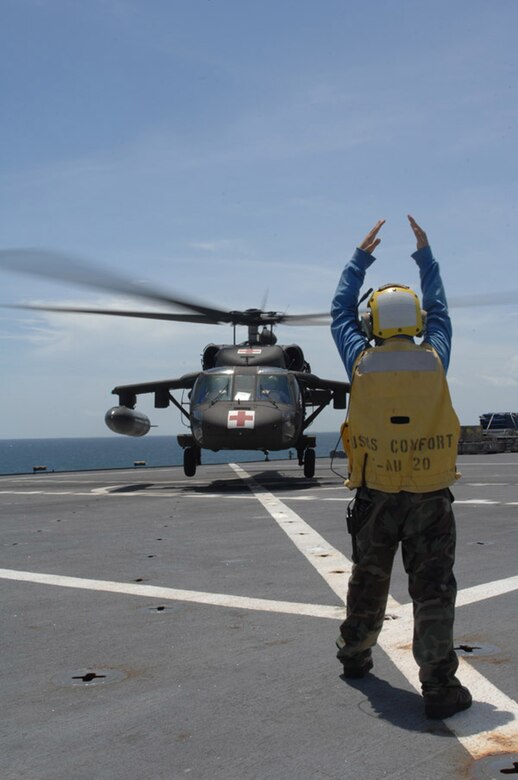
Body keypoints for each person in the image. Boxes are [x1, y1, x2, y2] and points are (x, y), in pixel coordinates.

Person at [330, 215, 472, 720]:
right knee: (432, 590)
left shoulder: (359, 362)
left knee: (368, 579)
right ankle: (438, 686)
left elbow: (338, 313)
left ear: (373, 324)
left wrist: (358, 261)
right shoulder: (435, 356)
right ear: (415, 321)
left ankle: (354, 656)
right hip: (431, 496)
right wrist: (425, 256)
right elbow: (442, 311)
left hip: (375, 493)